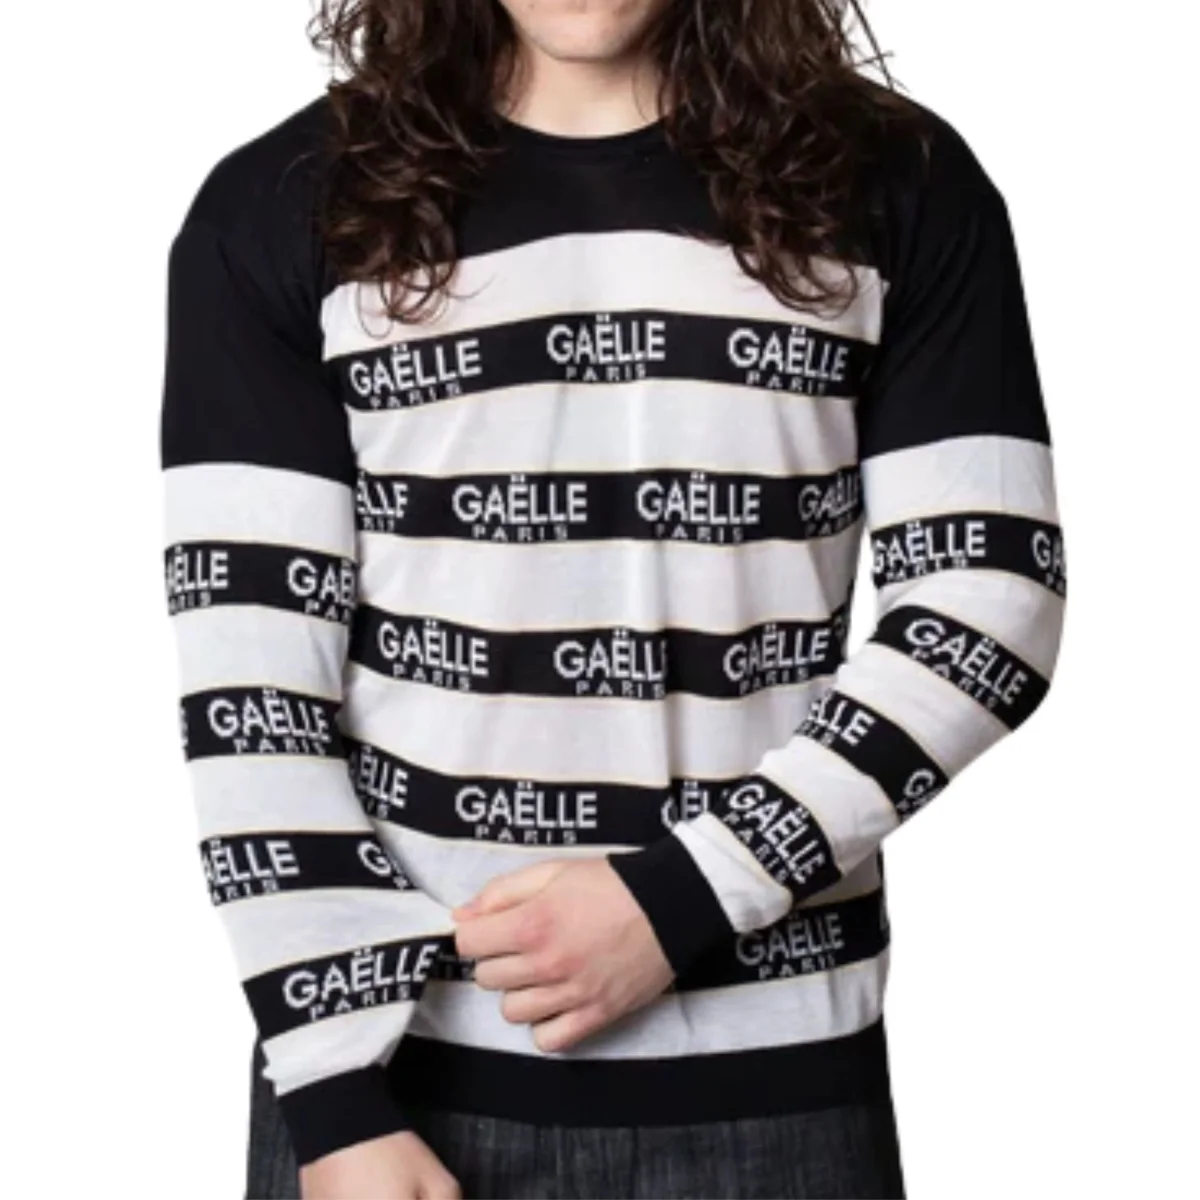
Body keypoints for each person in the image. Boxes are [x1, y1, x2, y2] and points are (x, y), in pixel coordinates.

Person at [158, 1, 1067, 1197]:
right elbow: (252, 682)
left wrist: (686, 896)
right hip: (396, 1097)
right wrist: (334, 1095)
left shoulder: (899, 179)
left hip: (781, 1091)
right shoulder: (284, 201)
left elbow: (989, 602)